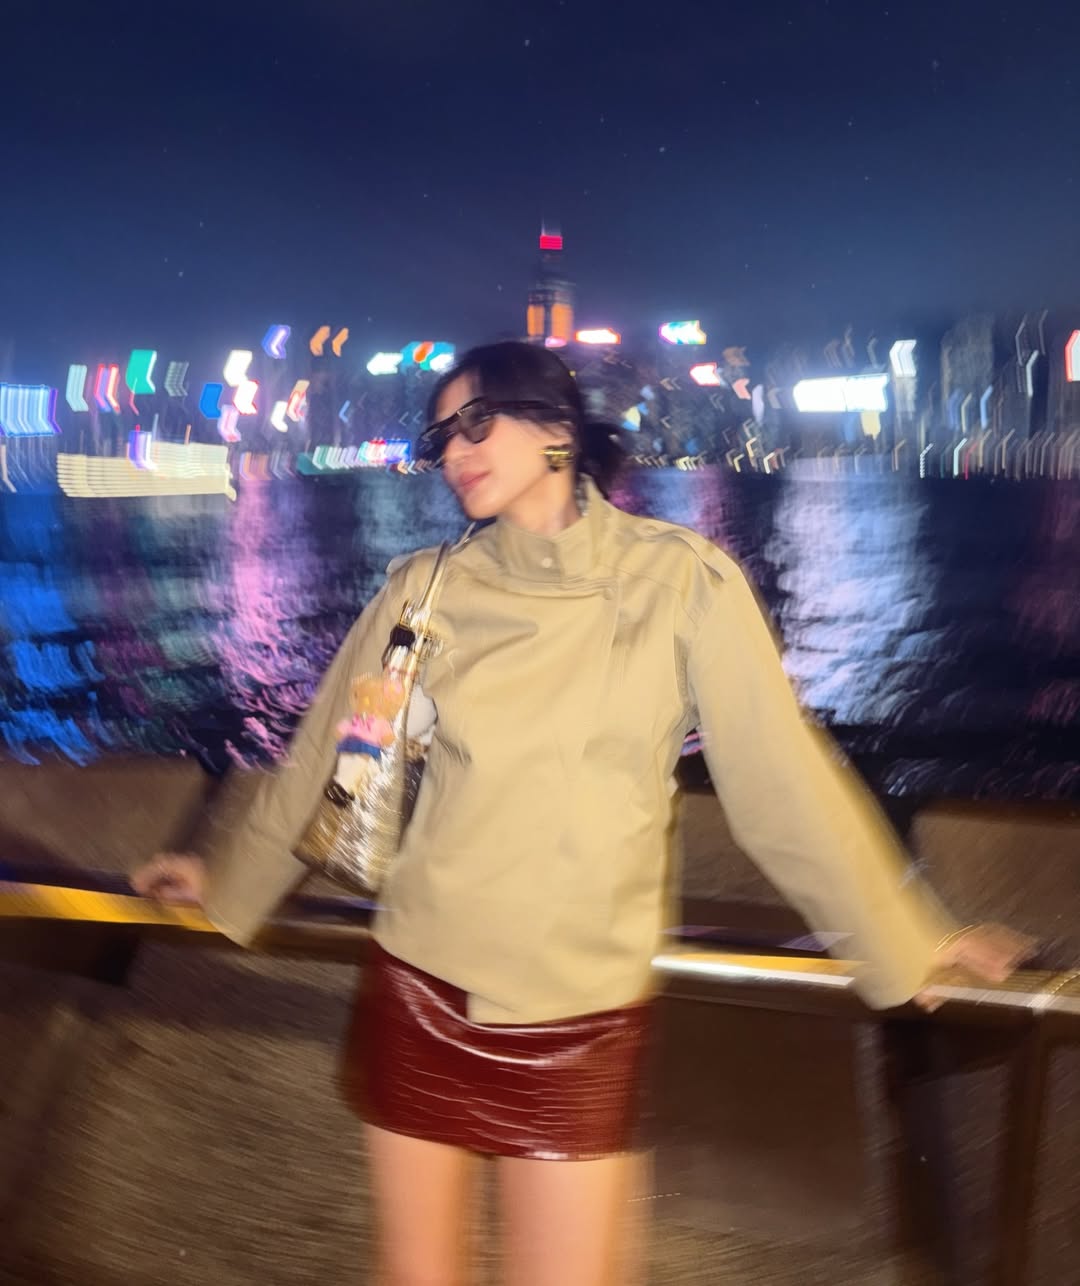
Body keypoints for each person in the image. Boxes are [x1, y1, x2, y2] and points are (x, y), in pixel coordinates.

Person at [133, 341, 1032, 1286]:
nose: (454, 452)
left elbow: (783, 784)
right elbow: (329, 758)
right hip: (420, 983)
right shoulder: (424, 589)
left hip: (577, 1016)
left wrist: (912, 936)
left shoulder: (680, 581)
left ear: (557, 428)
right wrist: (225, 879)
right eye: (441, 438)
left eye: (477, 423)